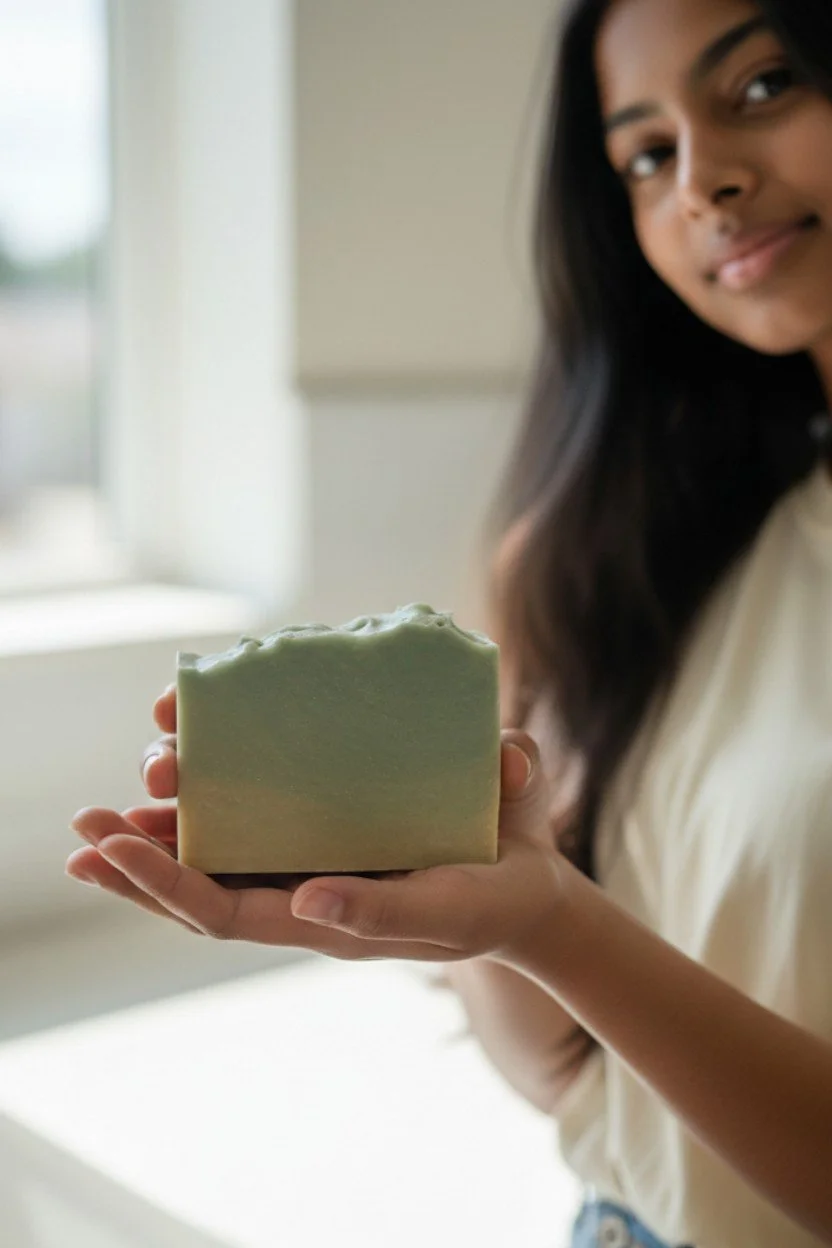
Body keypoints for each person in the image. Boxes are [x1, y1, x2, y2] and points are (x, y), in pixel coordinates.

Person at [67, 0, 832, 1244]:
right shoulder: (636, 547)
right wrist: (464, 888)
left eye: (762, 85)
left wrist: (552, 925)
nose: (705, 180)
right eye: (643, 153)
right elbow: (564, 1075)